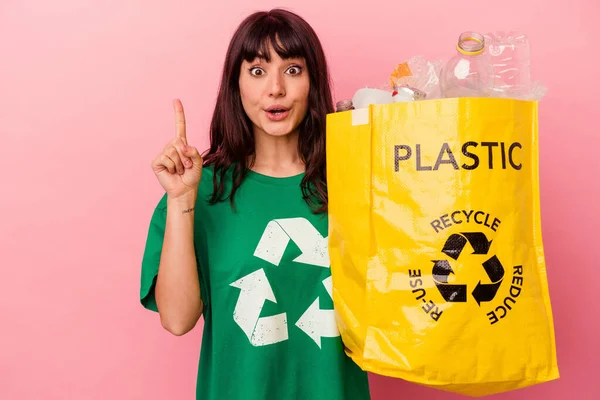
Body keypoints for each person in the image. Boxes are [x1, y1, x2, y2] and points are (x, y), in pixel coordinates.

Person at [139, 8, 371, 400]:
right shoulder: (200, 190)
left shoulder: (356, 179)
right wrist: (181, 199)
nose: (275, 89)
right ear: (237, 84)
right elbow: (177, 320)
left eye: (293, 69)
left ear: (313, 82)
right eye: (258, 70)